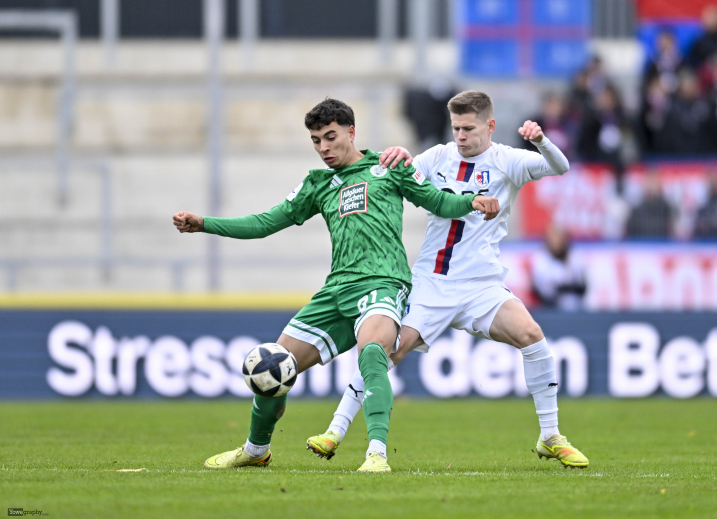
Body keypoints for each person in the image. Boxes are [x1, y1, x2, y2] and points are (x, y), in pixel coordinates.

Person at [172, 98, 500, 473]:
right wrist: (205, 224)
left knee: (373, 352)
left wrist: (471, 201)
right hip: (336, 292)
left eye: (330, 137)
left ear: (351, 132)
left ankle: (376, 453)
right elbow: (265, 223)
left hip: (382, 282)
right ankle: (255, 449)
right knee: (272, 367)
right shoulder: (318, 184)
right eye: (316, 141)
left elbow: (437, 202)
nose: (324, 148)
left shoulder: (389, 166)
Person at [305, 91, 590, 468]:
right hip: (432, 283)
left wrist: (540, 141)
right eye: (455, 127)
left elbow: (561, 166)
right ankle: (335, 431)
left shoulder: (509, 161)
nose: (460, 136)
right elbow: (397, 172)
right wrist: (394, 155)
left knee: (531, 336)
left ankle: (551, 436)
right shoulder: (437, 157)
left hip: (481, 285)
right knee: (386, 351)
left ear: (489, 125)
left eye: (468, 128)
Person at [531, 225, 587, 311]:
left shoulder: (575, 258)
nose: (557, 242)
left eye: (559, 239)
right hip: (550, 309)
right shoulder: (541, 261)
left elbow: (582, 287)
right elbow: (539, 291)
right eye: (553, 239)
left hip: (576, 308)